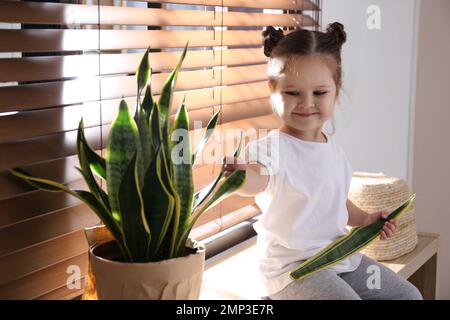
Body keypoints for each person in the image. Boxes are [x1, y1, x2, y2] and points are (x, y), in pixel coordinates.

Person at [222, 23, 422, 300]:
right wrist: (240, 177)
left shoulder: (331, 146)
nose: (306, 103)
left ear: (336, 91)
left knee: (408, 296)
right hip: (294, 269)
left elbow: (334, 201)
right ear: (272, 90)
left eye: (319, 93)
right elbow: (256, 180)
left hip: (340, 258)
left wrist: (365, 219)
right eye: (292, 93)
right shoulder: (270, 149)